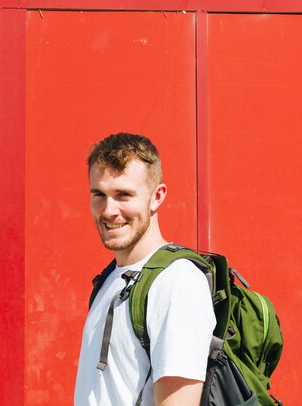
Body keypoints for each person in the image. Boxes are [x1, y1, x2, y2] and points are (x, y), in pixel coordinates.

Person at [74, 132, 215, 406]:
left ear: (157, 197)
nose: (108, 210)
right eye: (99, 195)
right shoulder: (109, 280)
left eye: (123, 195)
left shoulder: (176, 282)